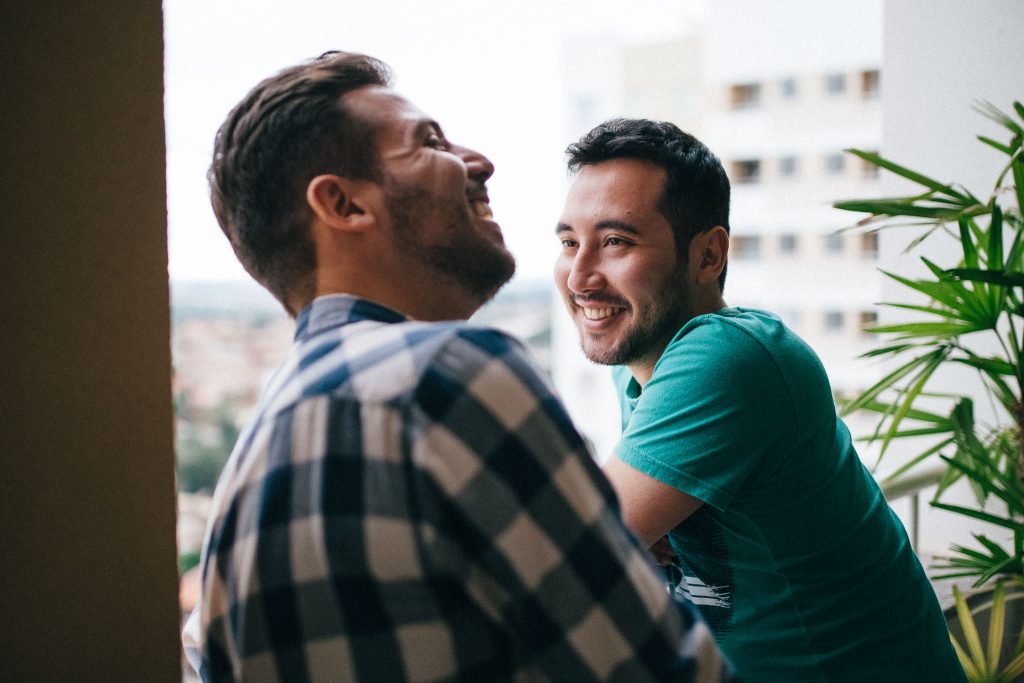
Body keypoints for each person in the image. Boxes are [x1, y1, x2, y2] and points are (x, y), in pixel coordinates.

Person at [184, 53, 720, 682]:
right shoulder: (447, 379)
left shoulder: (245, 479)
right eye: (429, 141)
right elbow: (667, 672)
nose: (480, 162)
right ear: (344, 204)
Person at [553, 118, 965, 682]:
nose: (579, 276)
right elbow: (608, 533)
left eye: (616, 242)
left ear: (708, 256)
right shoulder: (640, 364)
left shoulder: (728, 358)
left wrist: (616, 536)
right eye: (570, 242)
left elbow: (566, 557)